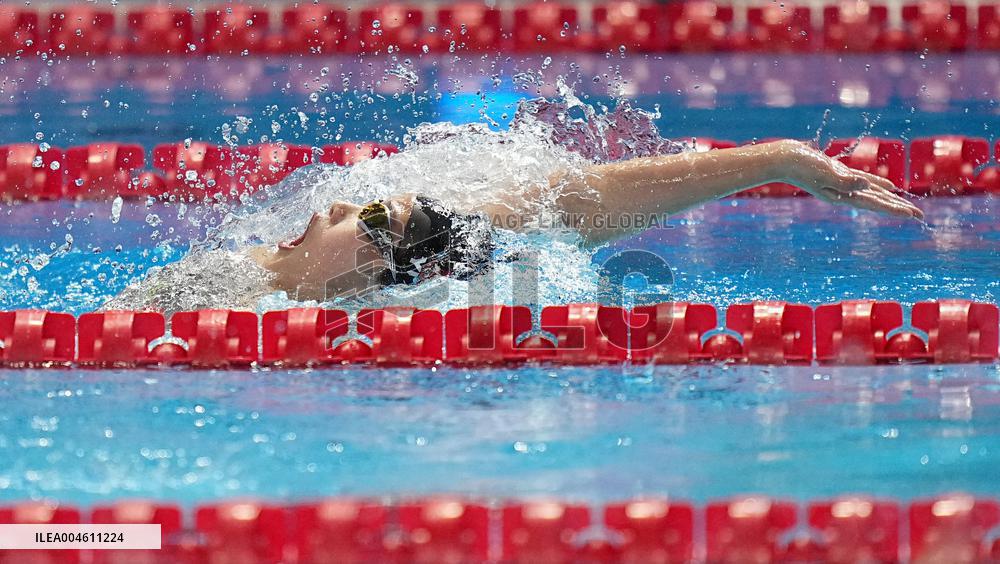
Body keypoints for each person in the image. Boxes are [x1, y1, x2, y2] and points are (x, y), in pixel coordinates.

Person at [103, 134, 921, 313]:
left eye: (372, 215)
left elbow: (568, 207)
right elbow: (565, 200)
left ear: (391, 278)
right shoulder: (212, 286)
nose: (336, 203)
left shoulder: (375, 312)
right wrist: (778, 156)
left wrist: (783, 161)